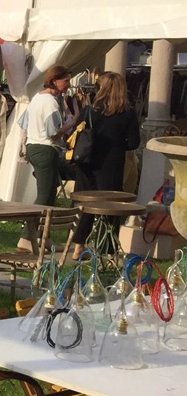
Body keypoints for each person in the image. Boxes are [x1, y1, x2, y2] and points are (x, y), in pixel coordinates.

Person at [68, 72, 141, 260]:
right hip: (111, 163)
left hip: (86, 161)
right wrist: (117, 144)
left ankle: (78, 244)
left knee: (86, 204)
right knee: (110, 205)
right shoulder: (127, 113)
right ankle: (106, 249)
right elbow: (133, 142)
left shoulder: (90, 110)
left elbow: (78, 130)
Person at [19, 65, 76, 214]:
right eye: (66, 80)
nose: (68, 84)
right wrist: (73, 123)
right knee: (45, 196)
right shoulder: (50, 102)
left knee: (50, 194)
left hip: (33, 147)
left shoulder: (37, 98)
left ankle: (44, 234)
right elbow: (54, 133)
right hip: (45, 149)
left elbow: (23, 122)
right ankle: (28, 231)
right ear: (54, 80)